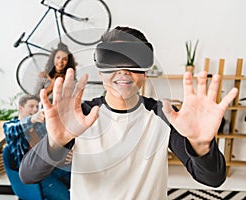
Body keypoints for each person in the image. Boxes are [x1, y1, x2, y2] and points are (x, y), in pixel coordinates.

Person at [19, 26, 238, 199]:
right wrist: (55, 143)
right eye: (113, 60)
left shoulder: (164, 115)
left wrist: (200, 145)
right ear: (100, 69)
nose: (123, 70)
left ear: (145, 71)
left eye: (133, 62)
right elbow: (28, 176)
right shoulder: (81, 116)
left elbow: (213, 180)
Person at [3, 94, 71, 200]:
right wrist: (31, 119)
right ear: (20, 108)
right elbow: (12, 129)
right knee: (65, 197)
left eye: (36, 107)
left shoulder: (39, 126)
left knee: (83, 176)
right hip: (34, 175)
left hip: (51, 168)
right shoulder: (11, 126)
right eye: (31, 106)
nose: (35, 109)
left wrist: (66, 153)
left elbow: (53, 144)